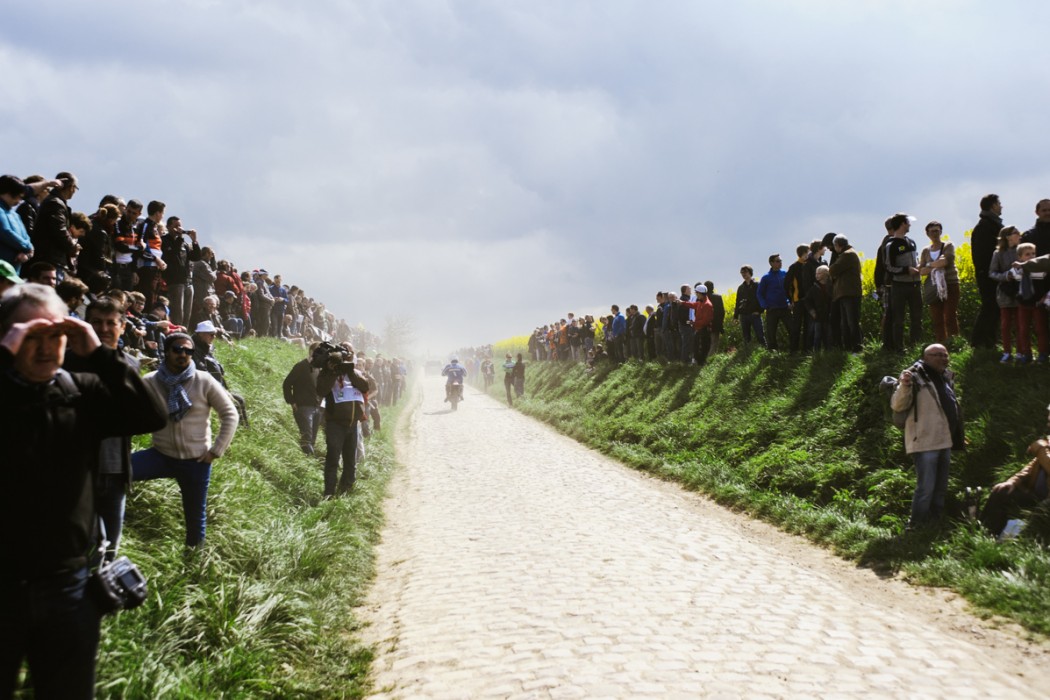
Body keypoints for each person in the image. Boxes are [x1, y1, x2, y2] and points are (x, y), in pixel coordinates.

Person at [1, 283, 165, 697]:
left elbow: (152, 414)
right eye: (30, 336)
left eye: (55, 335)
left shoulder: (79, 393)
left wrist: (100, 354)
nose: (45, 348)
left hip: (67, 586)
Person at [132, 332, 239, 547]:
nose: (183, 354)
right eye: (178, 349)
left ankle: (194, 561)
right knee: (116, 471)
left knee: (195, 519)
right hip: (160, 455)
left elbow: (230, 414)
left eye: (189, 350)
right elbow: (130, 411)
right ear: (166, 352)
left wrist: (215, 451)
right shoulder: (150, 381)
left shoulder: (204, 380)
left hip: (196, 461)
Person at [81, 298, 139, 561]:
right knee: (86, 546)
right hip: (80, 469)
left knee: (111, 546)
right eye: (96, 322)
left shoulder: (130, 364)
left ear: (123, 326)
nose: (103, 329)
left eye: (110, 323)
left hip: (116, 467)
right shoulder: (71, 360)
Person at [891, 344, 963, 529]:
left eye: (945, 355)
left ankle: (934, 522)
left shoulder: (945, 376)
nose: (943, 358)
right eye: (937, 355)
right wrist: (904, 385)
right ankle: (916, 525)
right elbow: (897, 405)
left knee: (940, 488)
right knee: (926, 488)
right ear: (926, 357)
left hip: (944, 440)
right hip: (924, 440)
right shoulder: (914, 375)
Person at [980, 405, 1050, 538]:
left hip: (1047, 502)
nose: (1048, 423)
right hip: (1036, 495)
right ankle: (985, 535)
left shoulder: (1044, 447)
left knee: (1042, 510)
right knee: (1001, 492)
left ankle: (1020, 542)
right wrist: (1013, 481)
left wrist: (1041, 450)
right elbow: (1032, 466)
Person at [315, 343, 370, 497]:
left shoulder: (354, 372)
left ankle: (346, 490)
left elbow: (365, 387)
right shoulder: (326, 373)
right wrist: (333, 372)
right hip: (335, 424)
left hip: (353, 424)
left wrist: (350, 372)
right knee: (333, 459)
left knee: (350, 460)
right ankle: (329, 493)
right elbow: (321, 390)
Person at [884, 213, 923, 352]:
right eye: (908, 222)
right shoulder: (891, 244)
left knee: (917, 318)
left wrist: (919, 267)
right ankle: (899, 349)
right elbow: (889, 267)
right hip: (899, 286)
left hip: (915, 284)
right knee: (898, 320)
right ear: (902, 224)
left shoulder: (911, 242)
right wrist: (906, 270)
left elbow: (915, 260)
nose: (910, 225)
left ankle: (915, 347)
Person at [918, 221, 960, 343]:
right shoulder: (925, 251)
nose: (935, 234)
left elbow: (944, 262)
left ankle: (954, 343)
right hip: (933, 287)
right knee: (937, 319)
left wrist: (929, 265)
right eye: (932, 231)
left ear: (941, 232)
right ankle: (941, 344)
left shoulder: (948, 246)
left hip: (950, 283)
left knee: (949, 316)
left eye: (937, 231)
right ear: (927, 234)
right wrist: (935, 265)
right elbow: (921, 271)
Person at [970, 194, 1003, 348]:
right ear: (993, 206)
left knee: (994, 308)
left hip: (991, 273)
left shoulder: (990, 224)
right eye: (999, 203)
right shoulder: (985, 226)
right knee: (990, 306)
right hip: (989, 275)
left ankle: (989, 342)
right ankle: (979, 342)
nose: (1001, 206)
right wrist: (989, 272)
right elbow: (983, 253)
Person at [988, 226, 1022, 363]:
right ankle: (1007, 352)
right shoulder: (998, 253)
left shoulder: (1022, 250)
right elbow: (992, 273)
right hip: (1005, 292)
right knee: (1005, 325)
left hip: (1020, 291)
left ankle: (1021, 352)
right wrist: (1007, 275)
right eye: (1016, 233)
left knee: (1020, 324)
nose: (1019, 234)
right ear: (1007, 237)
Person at [283, 342, 323, 455]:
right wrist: (292, 402)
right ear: (311, 352)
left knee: (312, 439)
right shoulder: (300, 366)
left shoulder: (318, 368)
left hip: (317, 408)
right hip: (304, 407)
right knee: (307, 438)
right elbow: (287, 384)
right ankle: (309, 461)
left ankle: (307, 460)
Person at [829, 235, 863, 352]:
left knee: (852, 322)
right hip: (846, 293)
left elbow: (832, 270)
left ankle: (857, 347)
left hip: (850, 293)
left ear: (837, 245)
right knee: (846, 323)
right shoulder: (849, 253)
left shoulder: (847, 254)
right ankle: (849, 348)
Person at [0, 174, 33, 273]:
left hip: (14, 270)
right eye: (18, 196)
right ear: (7, 192)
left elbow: (25, 236)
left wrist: (27, 252)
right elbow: (5, 232)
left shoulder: (14, 214)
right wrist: (28, 247)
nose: (19, 201)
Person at [758, 254, 789, 351]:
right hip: (772, 309)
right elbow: (759, 293)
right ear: (771, 263)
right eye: (778, 261)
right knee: (771, 333)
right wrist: (765, 305)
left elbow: (790, 289)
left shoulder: (785, 273)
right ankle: (772, 353)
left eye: (781, 261)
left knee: (792, 329)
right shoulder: (766, 277)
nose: (780, 263)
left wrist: (789, 301)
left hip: (785, 307)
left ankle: (793, 350)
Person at [734, 266, 764, 346]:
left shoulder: (757, 285)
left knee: (760, 336)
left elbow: (762, 298)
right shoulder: (741, 288)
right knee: (746, 338)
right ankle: (747, 353)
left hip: (755, 314)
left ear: (750, 272)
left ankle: (764, 351)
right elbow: (738, 302)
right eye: (742, 272)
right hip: (744, 315)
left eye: (745, 272)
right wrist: (735, 316)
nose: (743, 274)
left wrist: (760, 311)